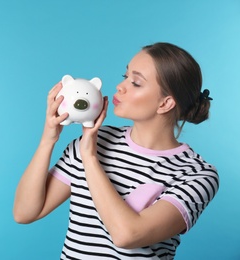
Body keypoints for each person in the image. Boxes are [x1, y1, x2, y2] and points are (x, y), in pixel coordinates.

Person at [13, 42, 219, 259]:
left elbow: (127, 235)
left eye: (136, 82)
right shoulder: (94, 140)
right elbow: (25, 213)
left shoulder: (196, 174)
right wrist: (49, 138)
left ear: (165, 103)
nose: (121, 86)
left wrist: (90, 158)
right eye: (125, 75)